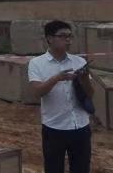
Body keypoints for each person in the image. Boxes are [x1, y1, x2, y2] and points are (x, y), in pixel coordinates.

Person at [28, 20, 94, 173]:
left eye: (70, 36)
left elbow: (90, 94)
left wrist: (84, 79)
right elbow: (37, 92)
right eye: (63, 36)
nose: (68, 40)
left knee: (81, 168)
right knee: (53, 168)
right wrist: (56, 78)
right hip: (54, 128)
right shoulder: (37, 63)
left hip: (80, 126)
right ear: (50, 38)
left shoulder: (79, 61)